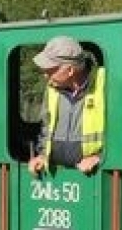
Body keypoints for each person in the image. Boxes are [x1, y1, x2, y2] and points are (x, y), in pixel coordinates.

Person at [27, 35, 105, 176]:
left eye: (50, 69)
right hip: (56, 177)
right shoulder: (52, 88)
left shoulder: (104, 83)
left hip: (94, 175)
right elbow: (46, 126)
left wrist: (100, 157)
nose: (45, 75)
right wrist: (43, 156)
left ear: (70, 70)